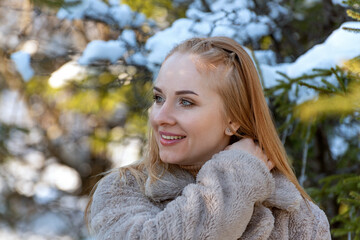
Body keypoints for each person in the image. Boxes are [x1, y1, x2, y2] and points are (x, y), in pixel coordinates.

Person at [86, 37, 331, 239]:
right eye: (159, 98)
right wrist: (234, 176)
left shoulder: (299, 218)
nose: (161, 117)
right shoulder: (122, 190)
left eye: (186, 102)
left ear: (233, 120)